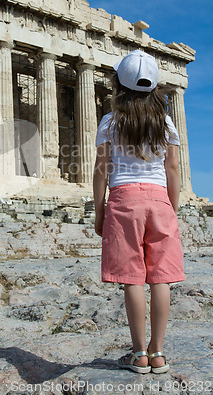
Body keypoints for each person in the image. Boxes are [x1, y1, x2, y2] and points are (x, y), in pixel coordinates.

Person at [93, 50, 185, 374]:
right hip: (160, 199)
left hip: (122, 200)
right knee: (161, 278)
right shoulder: (166, 122)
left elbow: (102, 170)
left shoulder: (110, 121)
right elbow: (173, 169)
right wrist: (171, 207)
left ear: (118, 84)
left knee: (132, 278)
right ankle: (158, 353)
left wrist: (99, 212)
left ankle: (138, 354)